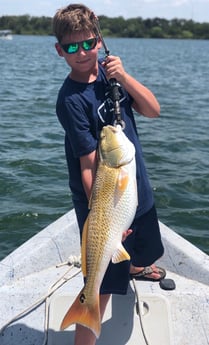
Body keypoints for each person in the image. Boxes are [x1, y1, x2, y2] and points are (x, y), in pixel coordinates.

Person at [53, 4, 165, 344]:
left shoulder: (109, 74)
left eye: (88, 43)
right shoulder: (70, 101)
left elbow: (152, 110)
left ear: (99, 41)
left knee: (147, 249)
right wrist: (105, 221)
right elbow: (89, 165)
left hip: (134, 191)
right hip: (106, 206)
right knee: (100, 287)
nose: (82, 52)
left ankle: (135, 265)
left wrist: (124, 77)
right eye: (72, 47)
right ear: (60, 51)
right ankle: (84, 331)